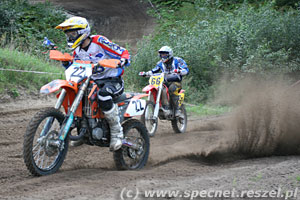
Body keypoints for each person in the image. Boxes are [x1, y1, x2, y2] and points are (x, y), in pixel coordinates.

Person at [55, 16, 130, 151]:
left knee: (103, 95)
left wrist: (123, 60)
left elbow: (123, 52)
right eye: (68, 34)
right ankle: (82, 132)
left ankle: (116, 132)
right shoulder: (77, 50)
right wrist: (67, 63)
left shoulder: (99, 41)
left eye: (72, 34)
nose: (70, 37)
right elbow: (76, 67)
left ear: (83, 32)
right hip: (91, 81)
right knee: (77, 95)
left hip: (112, 80)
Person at [139, 46, 189, 117]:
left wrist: (179, 71)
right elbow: (154, 71)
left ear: (169, 54)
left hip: (175, 82)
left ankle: (177, 109)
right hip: (163, 82)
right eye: (162, 54)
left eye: (165, 54)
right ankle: (163, 107)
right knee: (160, 89)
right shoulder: (160, 63)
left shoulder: (178, 60)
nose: (163, 56)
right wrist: (145, 73)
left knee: (172, 88)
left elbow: (186, 70)